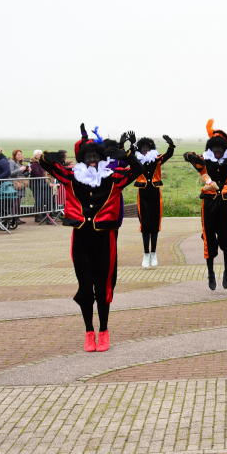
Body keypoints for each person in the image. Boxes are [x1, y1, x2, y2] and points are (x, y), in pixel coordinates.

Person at [38, 124, 141, 353]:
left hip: (105, 239)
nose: (93, 161)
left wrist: (123, 155)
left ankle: (104, 330)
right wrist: (53, 157)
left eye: (96, 156)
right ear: (82, 159)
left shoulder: (113, 178)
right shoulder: (71, 176)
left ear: (101, 158)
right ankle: (88, 331)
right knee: (85, 286)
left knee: (103, 286)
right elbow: (44, 161)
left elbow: (138, 169)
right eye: (89, 157)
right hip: (81, 238)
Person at [184, 120, 227, 290]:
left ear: (225, 148)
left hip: (225, 203)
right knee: (209, 238)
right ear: (211, 148)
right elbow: (187, 155)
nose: (217, 151)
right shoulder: (205, 161)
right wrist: (191, 155)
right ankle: (210, 273)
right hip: (209, 203)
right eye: (215, 148)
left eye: (220, 148)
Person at [133, 135, 176, 268]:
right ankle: (146, 254)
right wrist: (130, 144)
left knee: (155, 224)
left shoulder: (156, 159)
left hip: (155, 194)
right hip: (143, 194)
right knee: (145, 225)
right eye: (143, 148)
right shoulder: (136, 159)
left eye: (147, 148)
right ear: (139, 149)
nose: (145, 150)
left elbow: (168, 155)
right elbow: (126, 157)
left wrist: (171, 145)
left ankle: (154, 253)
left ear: (151, 148)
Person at [9, 149, 30, 224]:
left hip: (21, 184)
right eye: (18, 154)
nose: (20, 156)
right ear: (14, 155)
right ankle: (14, 218)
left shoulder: (20, 163)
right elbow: (10, 173)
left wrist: (27, 171)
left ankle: (17, 217)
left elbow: (23, 175)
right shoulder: (11, 162)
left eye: (21, 154)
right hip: (15, 184)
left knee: (18, 201)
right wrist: (19, 169)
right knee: (16, 201)